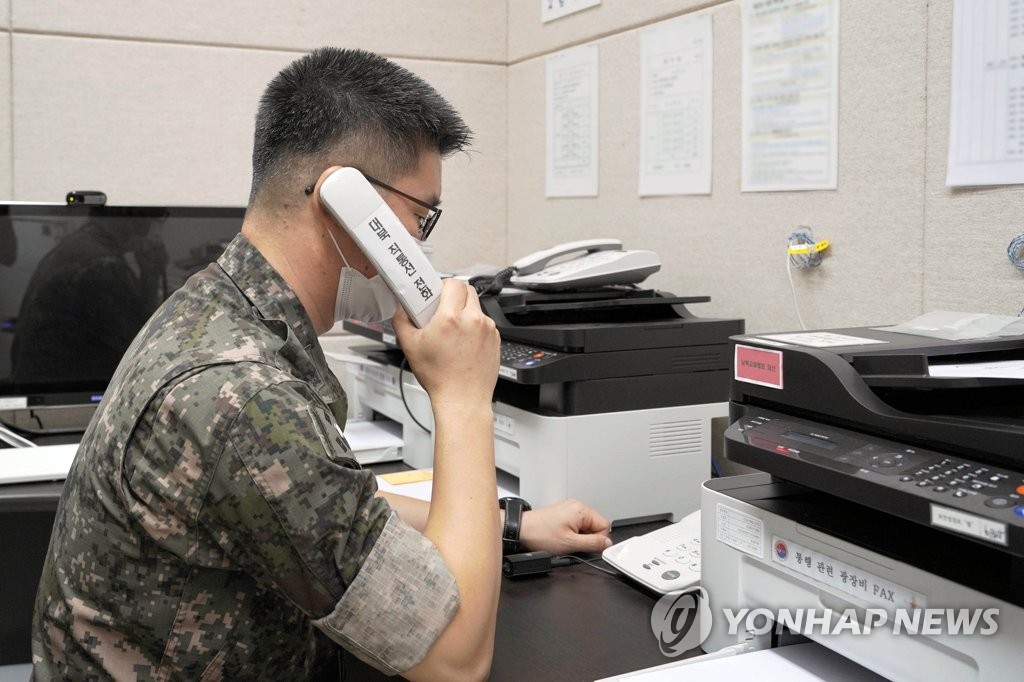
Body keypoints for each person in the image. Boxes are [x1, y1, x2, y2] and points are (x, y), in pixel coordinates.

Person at [32, 47, 612, 681]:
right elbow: (455, 659)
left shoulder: (217, 306)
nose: (420, 246)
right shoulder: (243, 394)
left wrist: (514, 525)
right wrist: (463, 395)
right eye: (420, 218)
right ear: (348, 204)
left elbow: (334, 510)